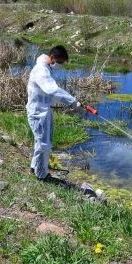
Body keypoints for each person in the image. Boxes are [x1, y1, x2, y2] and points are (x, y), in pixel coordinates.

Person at [26, 45, 82, 182]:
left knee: (42, 142)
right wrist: (73, 102)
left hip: (44, 110)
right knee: (43, 144)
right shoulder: (41, 71)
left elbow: (48, 93)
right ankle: (41, 175)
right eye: (60, 62)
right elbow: (53, 90)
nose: (60, 65)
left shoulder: (45, 68)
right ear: (52, 58)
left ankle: (35, 166)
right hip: (38, 112)